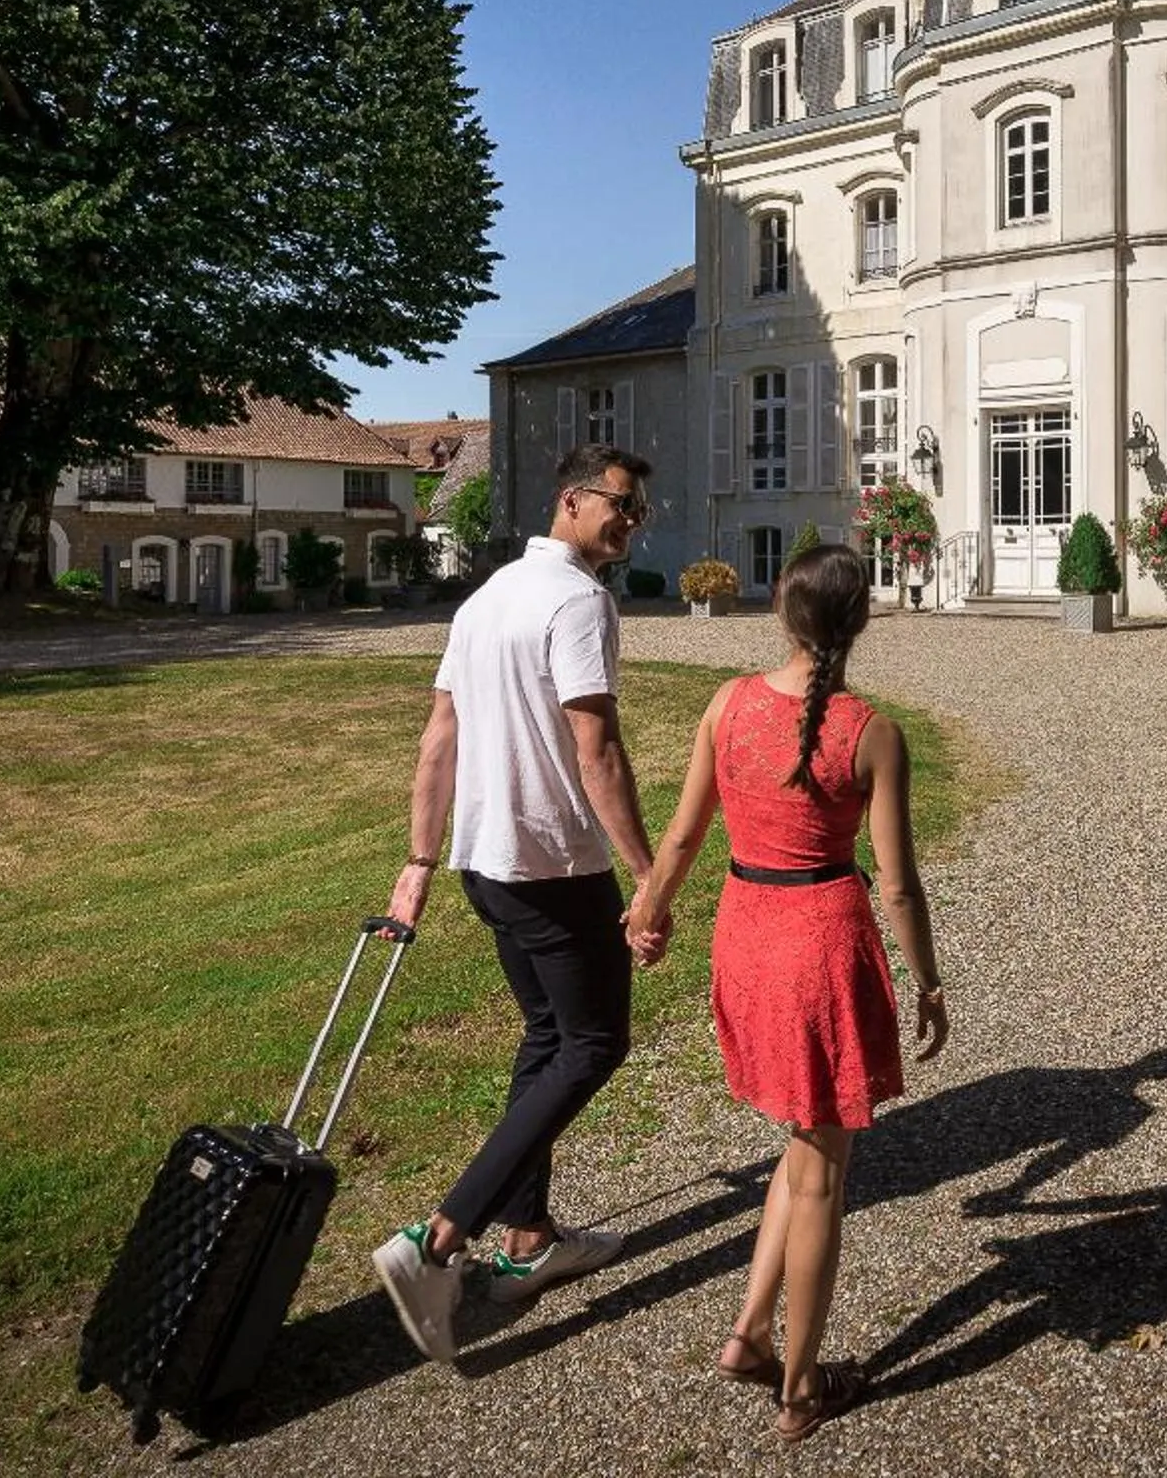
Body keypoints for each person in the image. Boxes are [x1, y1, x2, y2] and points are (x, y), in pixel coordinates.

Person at [627, 541, 947, 1443]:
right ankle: (802, 1385)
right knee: (821, 1174)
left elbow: (683, 835)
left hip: (746, 932)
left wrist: (649, 912)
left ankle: (748, 1334)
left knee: (802, 1143)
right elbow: (899, 886)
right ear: (862, 620)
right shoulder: (872, 731)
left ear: (779, 607)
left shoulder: (727, 703)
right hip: (818, 941)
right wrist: (928, 982)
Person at [370, 444, 662, 1363]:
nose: (628, 520)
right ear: (569, 500)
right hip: (553, 861)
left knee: (546, 1037)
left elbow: (436, 741)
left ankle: (530, 1239)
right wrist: (650, 876)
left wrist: (422, 856)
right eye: (619, 503)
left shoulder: (487, 596)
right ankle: (438, 1240)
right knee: (593, 1042)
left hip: (485, 862)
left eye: (639, 511)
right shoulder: (577, 600)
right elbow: (598, 749)